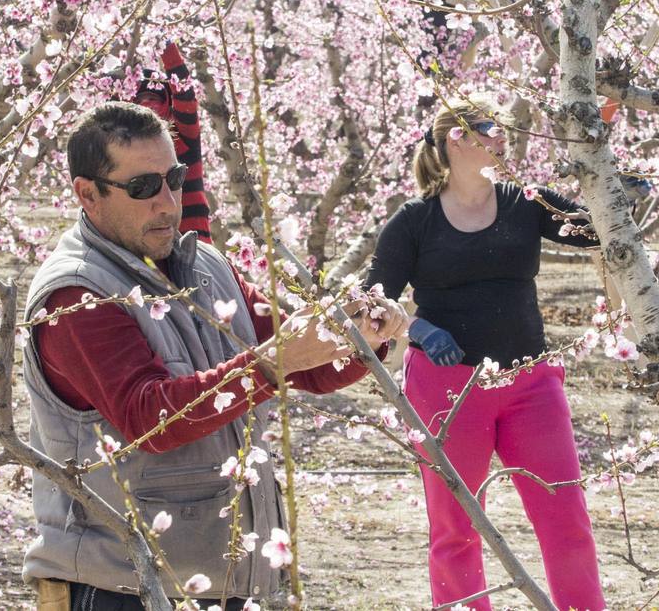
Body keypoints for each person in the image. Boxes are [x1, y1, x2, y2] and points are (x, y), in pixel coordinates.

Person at [21, 101, 407, 610]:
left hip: (222, 583)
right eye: (142, 187)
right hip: (125, 587)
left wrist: (360, 337)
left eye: (174, 179)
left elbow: (302, 361)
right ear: (87, 194)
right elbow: (150, 417)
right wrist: (275, 362)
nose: (166, 201)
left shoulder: (207, 265)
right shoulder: (76, 296)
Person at [365, 100, 605, 611]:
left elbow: (597, 230)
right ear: (457, 139)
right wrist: (416, 327)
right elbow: (368, 303)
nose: (505, 141)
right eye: (494, 130)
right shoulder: (415, 222)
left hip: (531, 385)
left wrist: (610, 174)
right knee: (456, 528)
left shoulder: (527, 203)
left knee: (567, 519)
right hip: (447, 388)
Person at [130, 42, 211, 243]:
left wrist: (162, 40)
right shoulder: (127, 145)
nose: (147, 103)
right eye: (141, 99)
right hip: (152, 238)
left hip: (194, 238)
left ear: (167, 102)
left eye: (153, 97)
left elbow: (185, 92)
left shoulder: (183, 135)